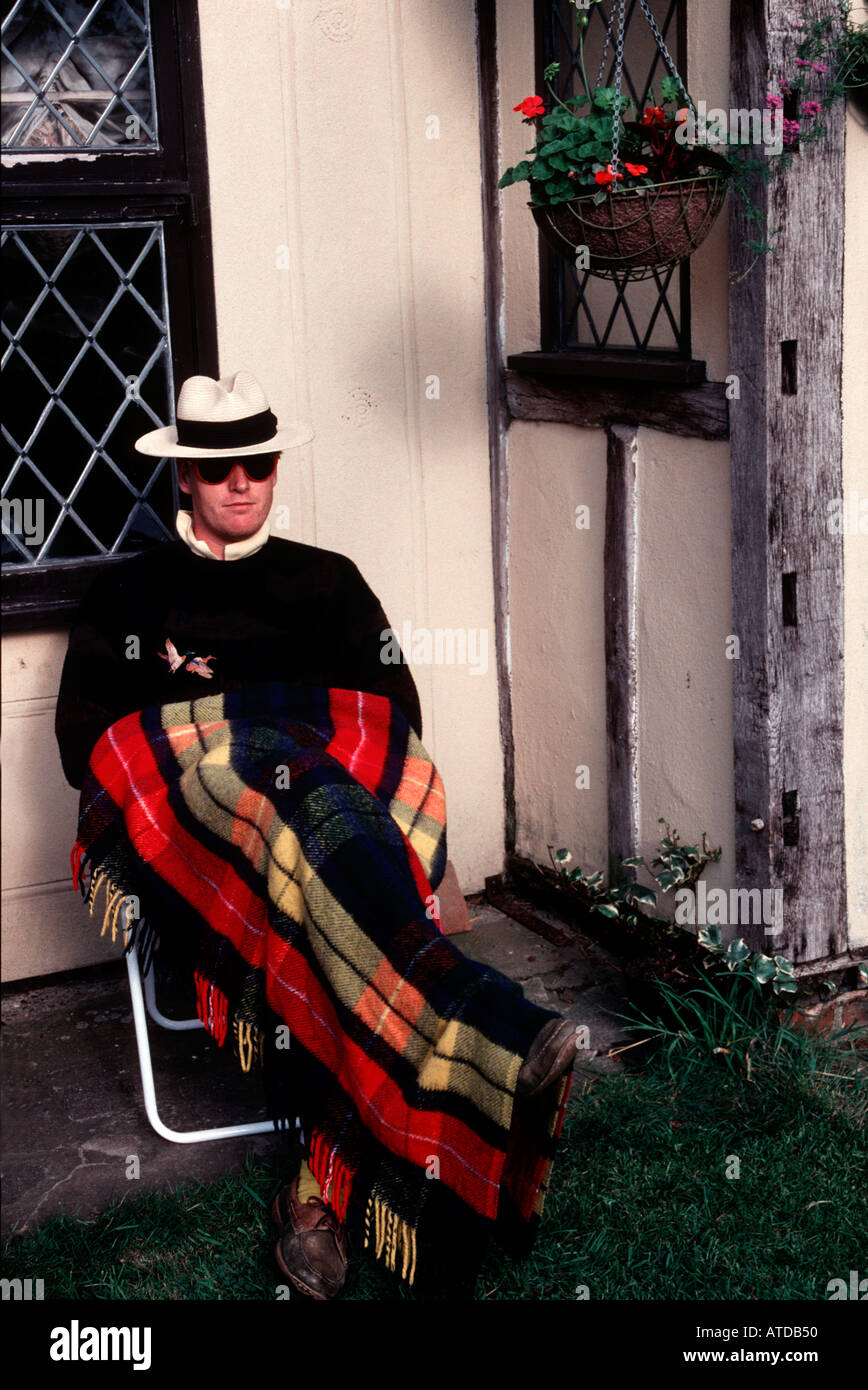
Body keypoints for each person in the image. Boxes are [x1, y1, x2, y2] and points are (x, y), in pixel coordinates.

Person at [56, 370, 579, 1301]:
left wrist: (311, 752)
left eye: (257, 463)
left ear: (275, 466)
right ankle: (479, 1031)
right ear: (185, 478)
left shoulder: (327, 580)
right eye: (219, 469)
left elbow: (395, 715)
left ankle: (317, 1180)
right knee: (283, 806)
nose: (241, 483)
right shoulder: (129, 595)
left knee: (322, 826)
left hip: (318, 814)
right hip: (212, 799)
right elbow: (86, 736)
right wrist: (225, 737)